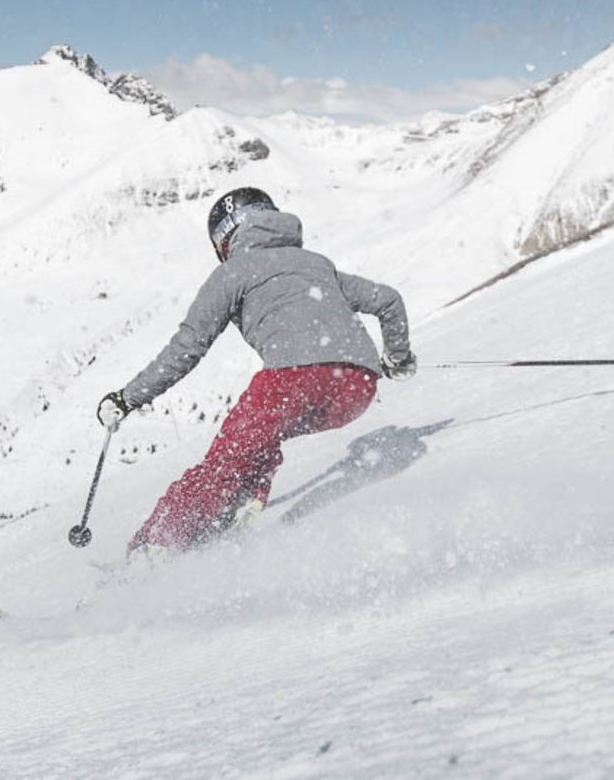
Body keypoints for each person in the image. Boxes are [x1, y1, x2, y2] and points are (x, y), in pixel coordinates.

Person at [96, 187, 416, 555]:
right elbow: (389, 300)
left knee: (226, 459)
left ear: (224, 239)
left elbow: (187, 348)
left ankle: (153, 549)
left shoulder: (234, 271)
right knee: (260, 437)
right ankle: (239, 501)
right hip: (357, 388)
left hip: (294, 379)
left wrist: (127, 398)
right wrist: (397, 358)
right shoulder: (317, 263)